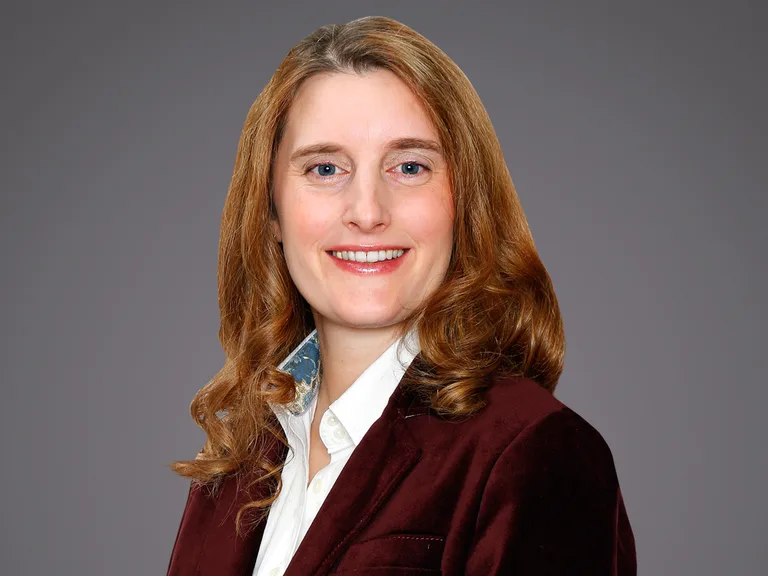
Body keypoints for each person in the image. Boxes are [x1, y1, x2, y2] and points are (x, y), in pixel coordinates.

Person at [166, 15, 636, 576]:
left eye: (410, 167)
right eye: (324, 168)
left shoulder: (536, 453)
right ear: (271, 211)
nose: (367, 212)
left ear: (464, 201)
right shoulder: (236, 464)